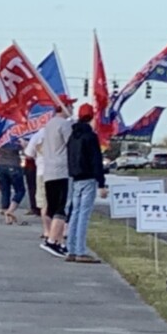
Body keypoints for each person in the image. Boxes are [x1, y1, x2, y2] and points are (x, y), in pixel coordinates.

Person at [64, 104, 108, 263]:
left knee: (74, 213)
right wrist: (101, 183)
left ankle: (71, 248)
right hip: (88, 178)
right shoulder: (90, 136)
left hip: (75, 178)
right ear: (91, 117)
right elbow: (96, 160)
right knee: (84, 214)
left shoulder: (72, 136)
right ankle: (81, 250)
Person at [38, 96, 76, 257]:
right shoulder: (65, 125)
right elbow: (72, 145)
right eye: (71, 106)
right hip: (62, 170)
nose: (72, 109)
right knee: (62, 207)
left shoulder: (48, 125)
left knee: (52, 207)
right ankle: (52, 241)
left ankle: (60, 242)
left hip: (49, 171)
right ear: (64, 106)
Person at [0, 138, 26, 225]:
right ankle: (10, 210)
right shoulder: (16, 139)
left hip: (0, 166)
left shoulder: (0, 138)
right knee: (20, 190)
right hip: (14, 165)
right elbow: (25, 151)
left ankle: (7, 218)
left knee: (5, 191)